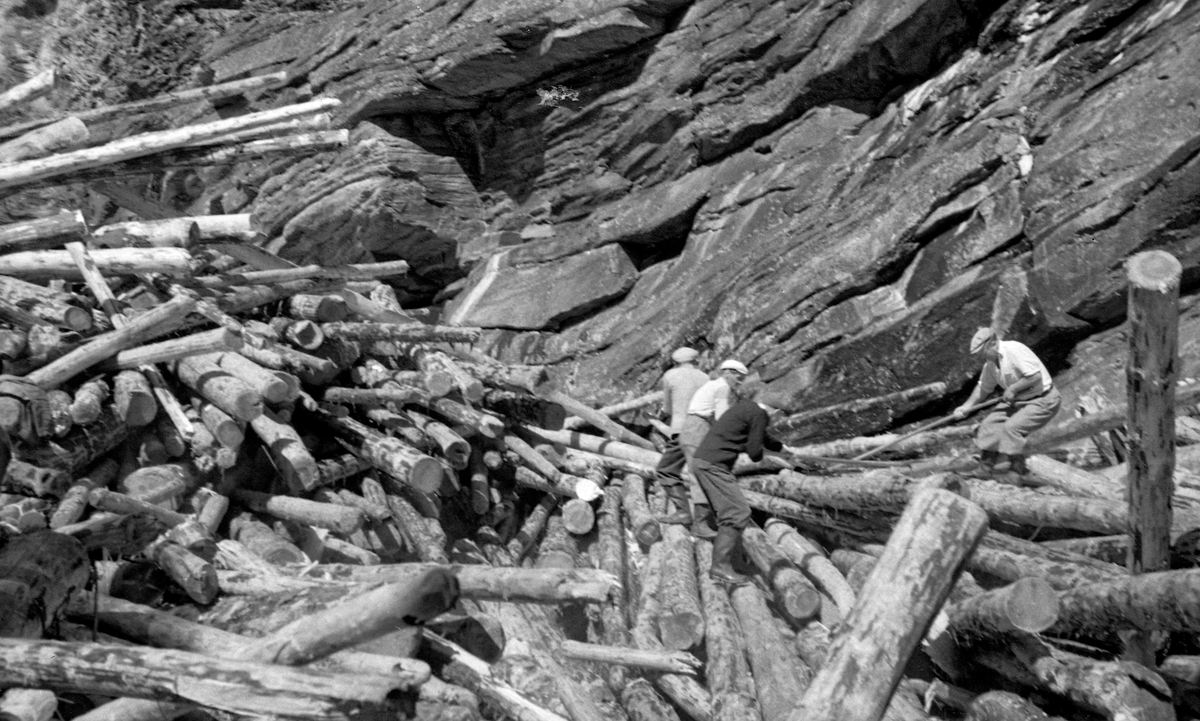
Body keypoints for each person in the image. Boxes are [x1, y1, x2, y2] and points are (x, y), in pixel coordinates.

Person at [689, 378, 782, 585]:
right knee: (738, 512)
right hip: (713, 466)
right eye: (777, 416)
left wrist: (784, 451)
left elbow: (764, 438)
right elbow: (755, 451)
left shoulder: (745, 408)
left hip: (703, 461)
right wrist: (765, 456)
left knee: (728, 513)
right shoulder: (760, 415)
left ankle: (734, 562)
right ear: (774, 411)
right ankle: (720, 567)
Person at [952, 327, 1061, 478]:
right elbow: (983, 387)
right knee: (989, 424)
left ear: (992, 344)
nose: (981, 358)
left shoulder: (1014, 350)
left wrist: (1013, 389)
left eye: (982, 353)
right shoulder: (990, 364)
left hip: (1043, 400)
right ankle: (985, 468)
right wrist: (966, 406)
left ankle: (1014, 472)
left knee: (1012, 428)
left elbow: (1035, 377)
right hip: (1018, 401)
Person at [675, 359, 749, 537]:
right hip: (697, 429)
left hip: (693, 428)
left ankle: (706, 519)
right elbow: (722, 416)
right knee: (702, 475)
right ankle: (700, 524)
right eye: (737, 378)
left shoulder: (713, 385)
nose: (739, 383)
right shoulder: (722, 387)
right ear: (728, 373)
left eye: (741, 380)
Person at [653, 347, 711, 525]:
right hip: (703, 431)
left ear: (676, 362)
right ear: (695, 361)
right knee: (701, 473)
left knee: (666, 470)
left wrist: (659, 418)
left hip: (682, 431)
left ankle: (683, 512)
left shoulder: (670, 375)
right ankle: (707, 520)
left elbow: (668, 408)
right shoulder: (705, 378)